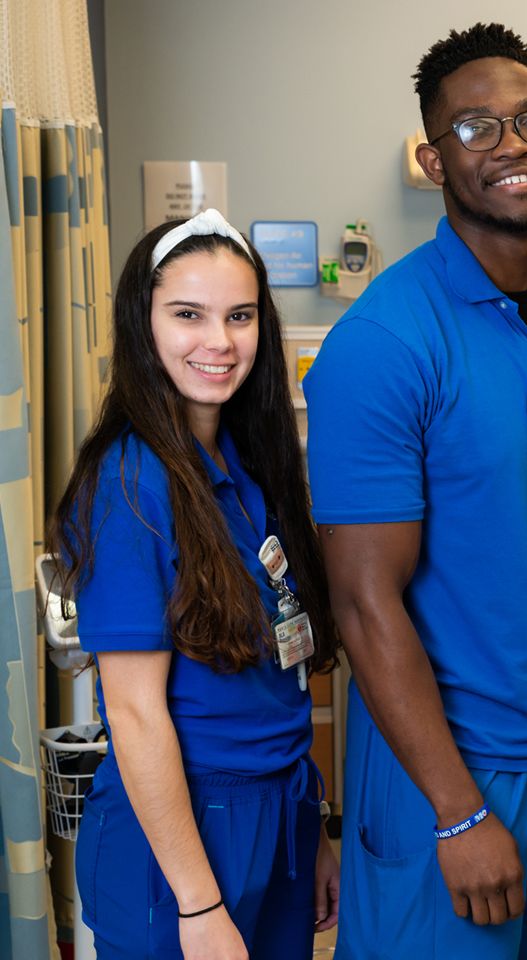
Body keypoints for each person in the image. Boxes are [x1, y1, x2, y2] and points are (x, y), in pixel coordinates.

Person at [302, 22, 527, 960]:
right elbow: (364, 604)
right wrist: (456, 814)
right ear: (432, 159)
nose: (513, 145)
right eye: (477, 128)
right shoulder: (383, 347)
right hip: (439, 778)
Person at [49, 209, 341, 960]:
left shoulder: (248, 470)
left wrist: (308, 834)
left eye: (240, 316)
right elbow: (136, 715)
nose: (219, 341)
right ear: (142, 324)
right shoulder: (128, 484)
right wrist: (200, 900)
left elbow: (283, 666)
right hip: (183, 836)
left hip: (277, 811)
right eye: (189, 315)